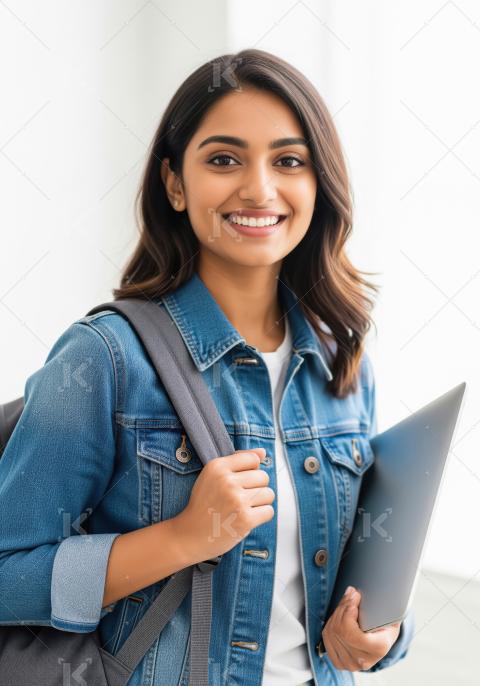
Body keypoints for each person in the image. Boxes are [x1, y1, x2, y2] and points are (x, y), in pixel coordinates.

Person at [0, 48, 414, 685]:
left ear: (318, 182)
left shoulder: (340, 361)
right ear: (174, 182)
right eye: (224, 159)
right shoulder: (103, 359)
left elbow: (362, 571)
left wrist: (383, 633)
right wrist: (182, 538)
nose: (258, 188)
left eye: (288, 161)